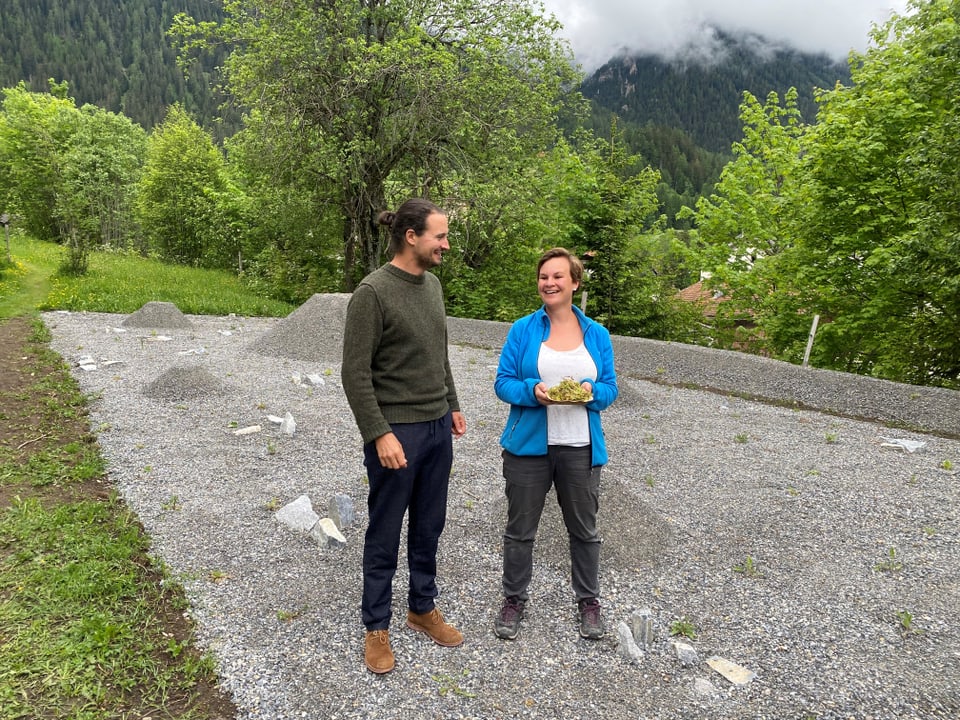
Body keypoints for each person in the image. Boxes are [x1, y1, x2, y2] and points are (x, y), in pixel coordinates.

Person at [341, 198, 467, 674]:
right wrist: (379, 433)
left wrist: (452, 404)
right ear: (411, 236)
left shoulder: (432, 286)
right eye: (440, 235)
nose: (446, 244)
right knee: (385, 529)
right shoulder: (372, 293)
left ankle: (421, 608)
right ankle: (376, 625)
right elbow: (354, 373)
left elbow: (439, 353)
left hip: (437, 429)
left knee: (429, 524)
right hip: (397, 433)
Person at [493, 247, 618, 641]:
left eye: (558, 276)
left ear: (574, 282)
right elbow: (503, 382)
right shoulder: (523, 329)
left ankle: (589, 602)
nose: (549, 283)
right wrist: (534, 390)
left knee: (584, 530)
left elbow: (611, 389)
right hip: (528, 446)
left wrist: (590, 391)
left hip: (580, 446)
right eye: (544, 276)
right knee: (520, 529)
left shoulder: (596, 334)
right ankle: (513, 599)